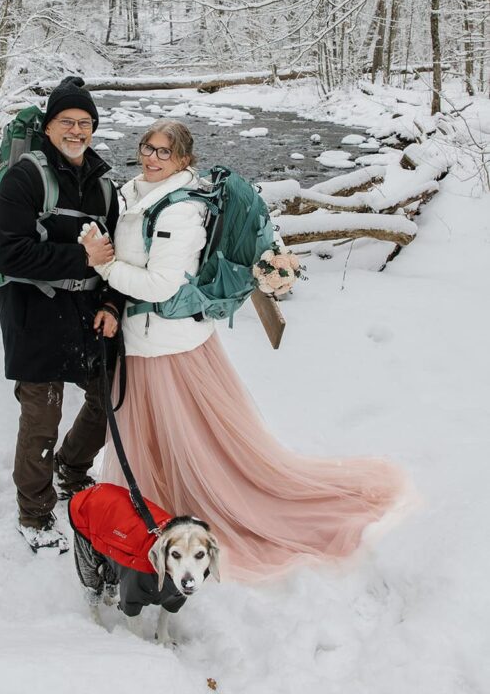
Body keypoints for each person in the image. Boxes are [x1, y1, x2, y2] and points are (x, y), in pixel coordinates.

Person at [81, 118, 407, 582]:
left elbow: (161, 284)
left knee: (191, 443)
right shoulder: (138, 189)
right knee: (161, 440)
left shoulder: (179, 213)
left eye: (163, 153)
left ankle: (188, 519)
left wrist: (105, 265)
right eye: (147, 148)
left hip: (166, 348)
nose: (152, 158)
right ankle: (158, 515)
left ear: (185, 161)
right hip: (146, 340)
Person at [0, 76, 121, 553]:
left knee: (110, 399)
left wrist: (110, 302)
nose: (76, 130)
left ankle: (72, 466)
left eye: (85, 123)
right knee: (41, 417)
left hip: (87, 312)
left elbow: (115, 255)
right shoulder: (24, 177)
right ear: (48, 128)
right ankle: (35, 514)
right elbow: (10, 255)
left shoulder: (105, 186)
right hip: (35, 313)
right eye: (67, 121)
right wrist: (80, 260)